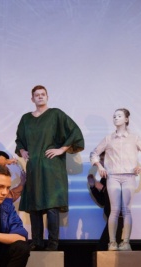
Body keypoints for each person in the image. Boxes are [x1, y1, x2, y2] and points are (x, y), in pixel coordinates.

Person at [15, 85, 85, 251]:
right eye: (37, 95)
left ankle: (53, 243)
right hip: (34, 167)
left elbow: (75, 133)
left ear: (47, 97)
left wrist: (61, 149)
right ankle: (37, 241)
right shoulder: (26, 119)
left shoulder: (56, 114)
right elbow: (19, 139)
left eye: (43, 94)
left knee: (52, 205)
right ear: (32, 99)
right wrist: (22, 150)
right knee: (35, 205)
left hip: (52, 168)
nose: (40, 97)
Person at [90, 108, 141, 250]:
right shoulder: (108, 138)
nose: (116, 118)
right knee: (114, 210)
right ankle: (112, 242)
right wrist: (99, 166)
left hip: (129, 176)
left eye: (119, 116)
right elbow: (94, 153)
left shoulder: (134, 138)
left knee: (126, 210)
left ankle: (126, 242)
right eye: (114, 116)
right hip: (113, 176)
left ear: (126, 119)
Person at [87, 160, 123, 251]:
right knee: (104, 248)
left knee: (104, 248)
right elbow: (102, 201)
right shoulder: (105, 178)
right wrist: (93, 187)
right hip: (111, 219)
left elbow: (119, 195)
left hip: (119, 218)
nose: (101, 164)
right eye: (101, 161)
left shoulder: (119, 176)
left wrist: (103, 188)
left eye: (103, 160)